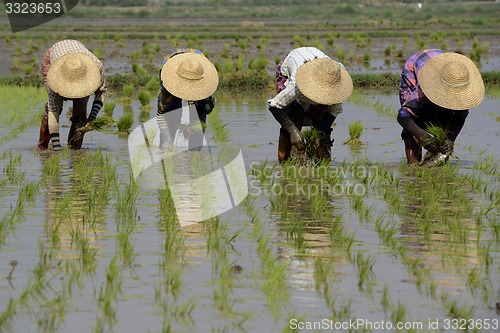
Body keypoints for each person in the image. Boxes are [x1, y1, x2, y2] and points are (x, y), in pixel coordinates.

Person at [397, 49, 484, 164]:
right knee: (414, 124)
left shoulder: (460, 86)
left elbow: (460, 116)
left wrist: (450, 140)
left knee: (445, 118)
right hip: (416, 68)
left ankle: (434, 157)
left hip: (443, 66)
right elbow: (403, 115)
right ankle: (413, 166)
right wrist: (424, 137)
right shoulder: (423, 89)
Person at [267, 46, 353, 163]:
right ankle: (285, 161)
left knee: (321, 121)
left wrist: (320, 133)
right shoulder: (296, 84)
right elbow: (274, 106)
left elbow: (333, 112)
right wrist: (293, 132)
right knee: (294, 117)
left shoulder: (336, 85)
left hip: (319, 66)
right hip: (293, 66)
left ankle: (321, 160)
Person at [39, 39, 107, 150]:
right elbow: (53, 112)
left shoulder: (96, 67)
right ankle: (43, 147)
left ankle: (74, 149)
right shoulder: (54, 75)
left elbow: (101, 92)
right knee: (54, 108)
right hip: (54, 58)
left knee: (80, 116)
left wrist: (91, 118)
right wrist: (57, 148)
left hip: (81, 65)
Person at [157, 48, 218, 150]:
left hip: (199, 71)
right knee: (171, 117)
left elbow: (207, 109)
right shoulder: (168, 89)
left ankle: (195, 152)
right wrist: (167, 140)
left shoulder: (204, 84)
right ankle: (166, 147)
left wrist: (193, 127)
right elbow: (161, 114)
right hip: (172, 68)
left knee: (198, 124)